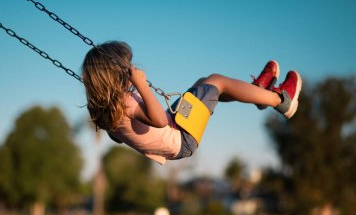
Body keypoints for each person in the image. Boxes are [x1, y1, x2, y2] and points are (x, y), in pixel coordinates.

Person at [82, 41, 302, 165]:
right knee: (217, 81)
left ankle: (257, 93)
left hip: (176, 127)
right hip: (181, 135)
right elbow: (158, 121)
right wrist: (141, 85)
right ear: (117, 76)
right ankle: (281, 99)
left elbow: (118, 136)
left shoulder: (104, 110)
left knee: (205, 84)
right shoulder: (126, 102)